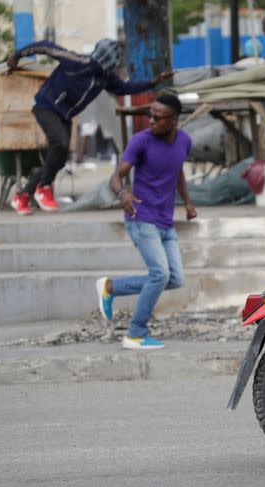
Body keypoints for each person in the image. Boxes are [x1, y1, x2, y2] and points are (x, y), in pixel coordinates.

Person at [6, 39, 173, 216]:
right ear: (106, 58)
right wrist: (17, 55)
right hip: (46, 106)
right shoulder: (77, 61)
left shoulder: (105, 77)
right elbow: (46, 46)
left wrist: (152, 83)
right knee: (60, 144)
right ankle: (44, 186)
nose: (116, 63)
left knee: (59, 158)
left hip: (65, 114)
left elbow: (123, 88)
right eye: (115, 59)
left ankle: (23, 196)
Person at [96, 93, 196, 350]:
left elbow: (177, 172)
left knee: (175, 279)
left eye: (157, 117)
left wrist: (187, 201)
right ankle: (135, 333)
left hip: (166, 221)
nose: (150, 120)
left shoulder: (184, 141)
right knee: (160, 274)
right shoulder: (140, 141)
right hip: (141, 217)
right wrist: (123, 194)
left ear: (173, 120)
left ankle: (111, 287)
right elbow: (116, 177)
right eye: (149, 115)